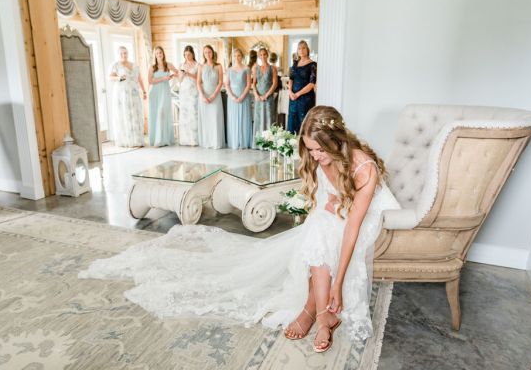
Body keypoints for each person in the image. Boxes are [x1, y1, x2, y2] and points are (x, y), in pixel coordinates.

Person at [80, 105, 401, 353]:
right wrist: (331, 208)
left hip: (365, 218)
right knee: (319, 231)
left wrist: (339, 282)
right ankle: (321, 316)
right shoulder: (320, 161)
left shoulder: (363, 168)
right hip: (338, 212)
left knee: (327, 234)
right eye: (311, 150)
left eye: (321, 151)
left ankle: (314, 313)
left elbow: (354, 226)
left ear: (337, 143)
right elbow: (325, 203)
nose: (316, 158)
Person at [109, 46, 146, 147]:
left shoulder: (134, 65)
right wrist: (119, 78)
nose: (124, 55)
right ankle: (126, 140)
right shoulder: (116, 65)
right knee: (125, 115)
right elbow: (110, 77)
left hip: (134, 92)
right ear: (118, 54)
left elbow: (140, 78)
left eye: (125, 53)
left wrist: (144, 91)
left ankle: (137, 140)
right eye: (121, 53)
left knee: (135, 114)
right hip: (122, 93)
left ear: (128, 53)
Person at [147, 46, 178, 146]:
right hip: (154, 92)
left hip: (165, 91)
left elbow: (177, 72)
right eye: (157, 53)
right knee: (156, 114)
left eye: (160, 52)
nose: (159, 55)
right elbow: (150, 81)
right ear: (155, 56)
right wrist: (163, 78)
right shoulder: (152, 67)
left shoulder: (168, 65)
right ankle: (157, 139)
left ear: (163, 53)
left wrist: (172, 77)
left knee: (163, 113)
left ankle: (164, 139)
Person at [197, 45, 225, 149]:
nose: (208, 54)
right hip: (203, 96)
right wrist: (203, 96)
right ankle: (207, 142)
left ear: (212, 53)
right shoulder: (201, 66)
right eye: (205, 52)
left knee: (215, 118)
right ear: (203, 54)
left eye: (209, 52)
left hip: (215, 96)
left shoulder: (219, 66)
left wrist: (213, 96)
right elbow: (198, 83)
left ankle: (216, 142)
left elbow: (220, 82)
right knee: (206, 120)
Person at [224, 48, 252, 149]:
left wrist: (242, 97)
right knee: (233, 119)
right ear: (233, 57)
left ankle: (243, 142)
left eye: (239, 55)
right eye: (235, 56)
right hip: (232, 98)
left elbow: (249, 84)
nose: (237, 58)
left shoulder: (246, 69)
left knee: (244, 118)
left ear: (242, 57)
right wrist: (232, 97)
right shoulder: (229, 70)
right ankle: (234, 141)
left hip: (244, 96)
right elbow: (227, 84)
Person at [287, 40, 317, 134]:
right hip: (293, 98)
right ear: (297, 51)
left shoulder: (313, 65)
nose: (301, 50)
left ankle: (304, 145)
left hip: (305, 99)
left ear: (307, 49)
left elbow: (312, 84)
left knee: (304, 122)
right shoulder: (295, 63)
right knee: (292, 120)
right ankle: (291, 145)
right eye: (299, 48)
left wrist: (297, 94)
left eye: (303, 48)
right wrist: (290, 92)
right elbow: (291, 79)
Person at [252, 48, 278, 148]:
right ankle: (258, 143)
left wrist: (266, 95)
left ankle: (268, 143)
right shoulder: (255, 68)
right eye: (261, 55)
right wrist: (256, 95)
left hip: (268, 97)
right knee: (258, 118)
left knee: (269, 118)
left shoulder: (273, 68)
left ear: (267, 55)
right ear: (259, 56)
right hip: (258, 97)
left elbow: (275, 84)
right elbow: (254, 83)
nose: (263, 56)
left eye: (264, 54)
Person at [178, 46, 200, 146]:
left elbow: (199, 79)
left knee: (194, 114)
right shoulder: (181, 65)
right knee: (185, 115)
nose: (187, 56)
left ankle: (194, 139)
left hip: (194, 92)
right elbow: (179, 80)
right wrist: (182, 74)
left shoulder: (197, 65)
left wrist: (189, 74)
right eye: (185, 55)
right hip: (184, 92)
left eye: (189, 54)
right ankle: (185, 139)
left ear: (193, 54)